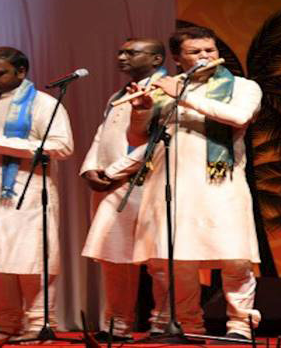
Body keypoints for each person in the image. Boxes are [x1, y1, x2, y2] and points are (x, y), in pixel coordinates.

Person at [107, 26, 262, 339]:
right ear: (178, 59)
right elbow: (138, 140)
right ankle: (189, 326)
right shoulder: (164, 88)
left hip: (220, 184)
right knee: (177, 261)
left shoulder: (243, 87)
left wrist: (183, 96)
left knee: (235, 258)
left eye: (210, 50)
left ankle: (240, 326)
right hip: (169, 186)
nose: (205, 56)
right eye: (195, 52)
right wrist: (141, 112)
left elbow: (238, 117)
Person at [0, 47, 74, 338]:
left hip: (24, 192)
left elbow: (62, 147)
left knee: (30, 257)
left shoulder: (43, 104)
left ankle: (40, 323)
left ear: (21, 72)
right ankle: (8, 324)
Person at [79, 38, 168, 341]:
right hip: (111, 186)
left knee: (157, 260)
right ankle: (118, 326)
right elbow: (102, 135)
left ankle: (162, 324)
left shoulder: (166, 91)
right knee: (113, 256)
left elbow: (158, 141)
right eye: (120, 51)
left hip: (147, 184)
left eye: (132, 52)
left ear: (156, 59)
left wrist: (114, 171)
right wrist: (90, 168)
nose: (121, 57)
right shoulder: (118, 94)